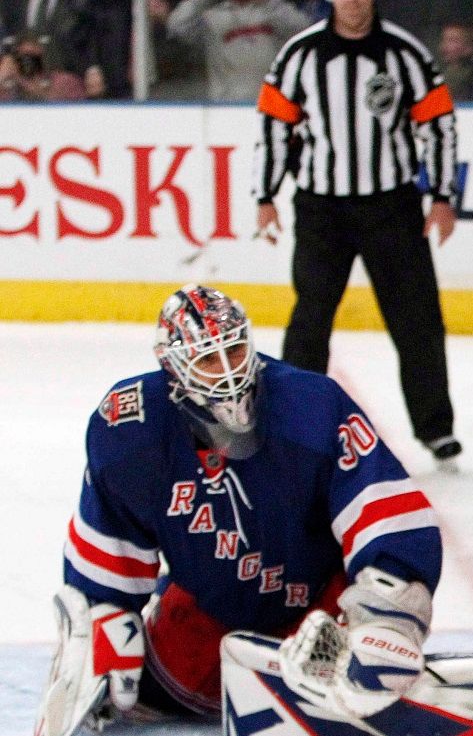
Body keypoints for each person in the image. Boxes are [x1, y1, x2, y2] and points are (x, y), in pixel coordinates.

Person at [33, 284, 444, 733]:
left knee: (363, 684)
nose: (228, 373)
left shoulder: (311, 406)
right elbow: (109, 549)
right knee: (117, 685)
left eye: (235, 349)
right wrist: (106, 622)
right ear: (172, 365)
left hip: (321, 617)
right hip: (209, 613)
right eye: (209, 359)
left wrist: (387, 618)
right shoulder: (130, 431)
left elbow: (384, 510)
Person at [252, 0, 463, 469]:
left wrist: (441, 197)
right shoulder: (299, 54)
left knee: (417, 320)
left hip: (391, 207)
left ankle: (436, 430)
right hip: (321, 209)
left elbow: (437, 124)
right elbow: (274, 127)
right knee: (310, 320)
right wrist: (265, 196)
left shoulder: (405, 55)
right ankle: (295, 427)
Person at [167, 0, 310, 102]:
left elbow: (303, 29)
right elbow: (176, 26)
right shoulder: (213, 17)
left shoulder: (272, 9)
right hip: (227, 106)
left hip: (273, 103)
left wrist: (268, 0)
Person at [0, 29, 85, 100]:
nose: (29, 62)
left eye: (33, 56)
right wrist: (3, 75)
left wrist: (23, 83)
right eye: (24, 56)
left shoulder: (66, 82)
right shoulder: (8, 85)